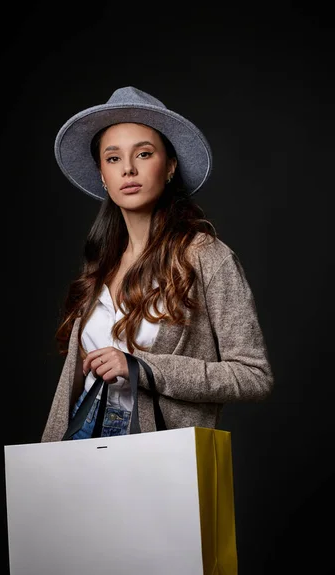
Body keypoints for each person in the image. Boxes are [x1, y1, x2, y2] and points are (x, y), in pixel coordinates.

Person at [41, 86, 274, 442]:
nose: (128, 169)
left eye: (144, 154)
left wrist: (144, 369)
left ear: (170, 167)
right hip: (84, 441)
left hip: (160, 449)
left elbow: (253, 376)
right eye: (113, 158)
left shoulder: (206, 256)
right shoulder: (98, 267)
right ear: (103, 176)